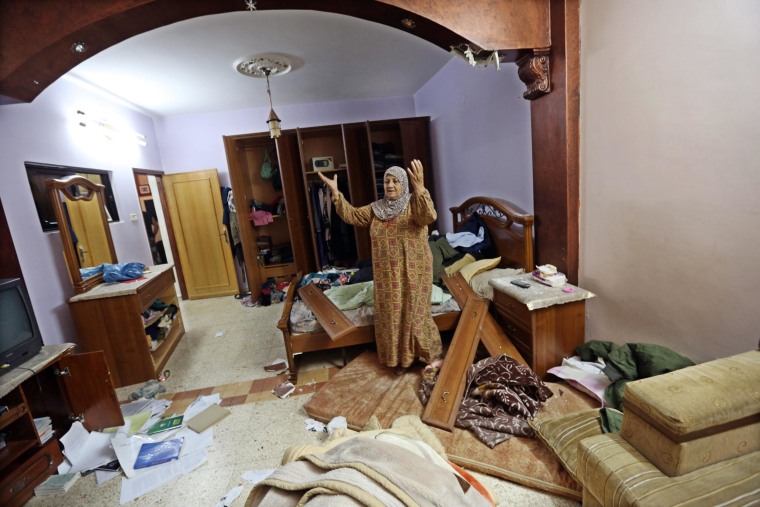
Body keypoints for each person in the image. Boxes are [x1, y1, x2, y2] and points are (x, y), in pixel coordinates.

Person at [318, 159, 442, 374]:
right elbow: (353, 215)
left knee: (415, 314)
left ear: (404, 184)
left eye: (395, 181)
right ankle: (401, 361)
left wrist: (420, 187)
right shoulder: (377, 209)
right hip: (387, 275)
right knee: (391, 315)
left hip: (414, 271)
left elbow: (429, 216)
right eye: (387, 181)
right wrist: (336, 194)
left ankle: (427, 355)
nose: (390, 185)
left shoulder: (415, 204)